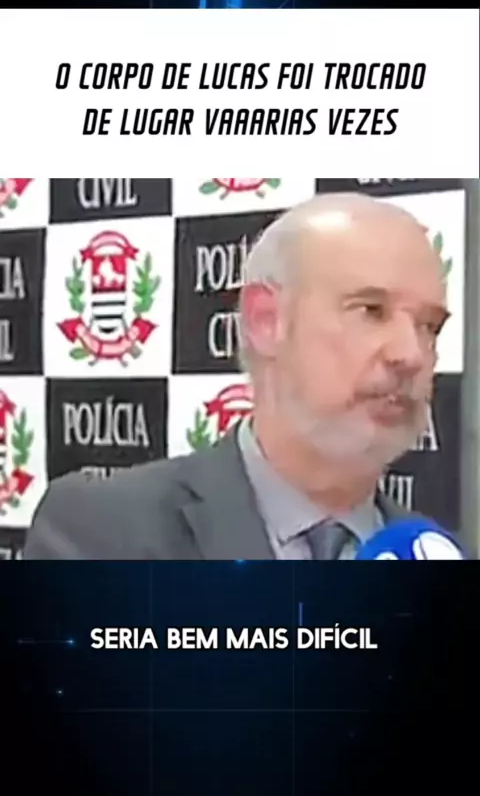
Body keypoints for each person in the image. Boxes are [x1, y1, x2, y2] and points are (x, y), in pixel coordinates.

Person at [24, 192, 450, 560]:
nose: (411, 355)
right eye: (371, 311)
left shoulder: (435, 555)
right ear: (266, 320)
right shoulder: (103, 533)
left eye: (429, 327)